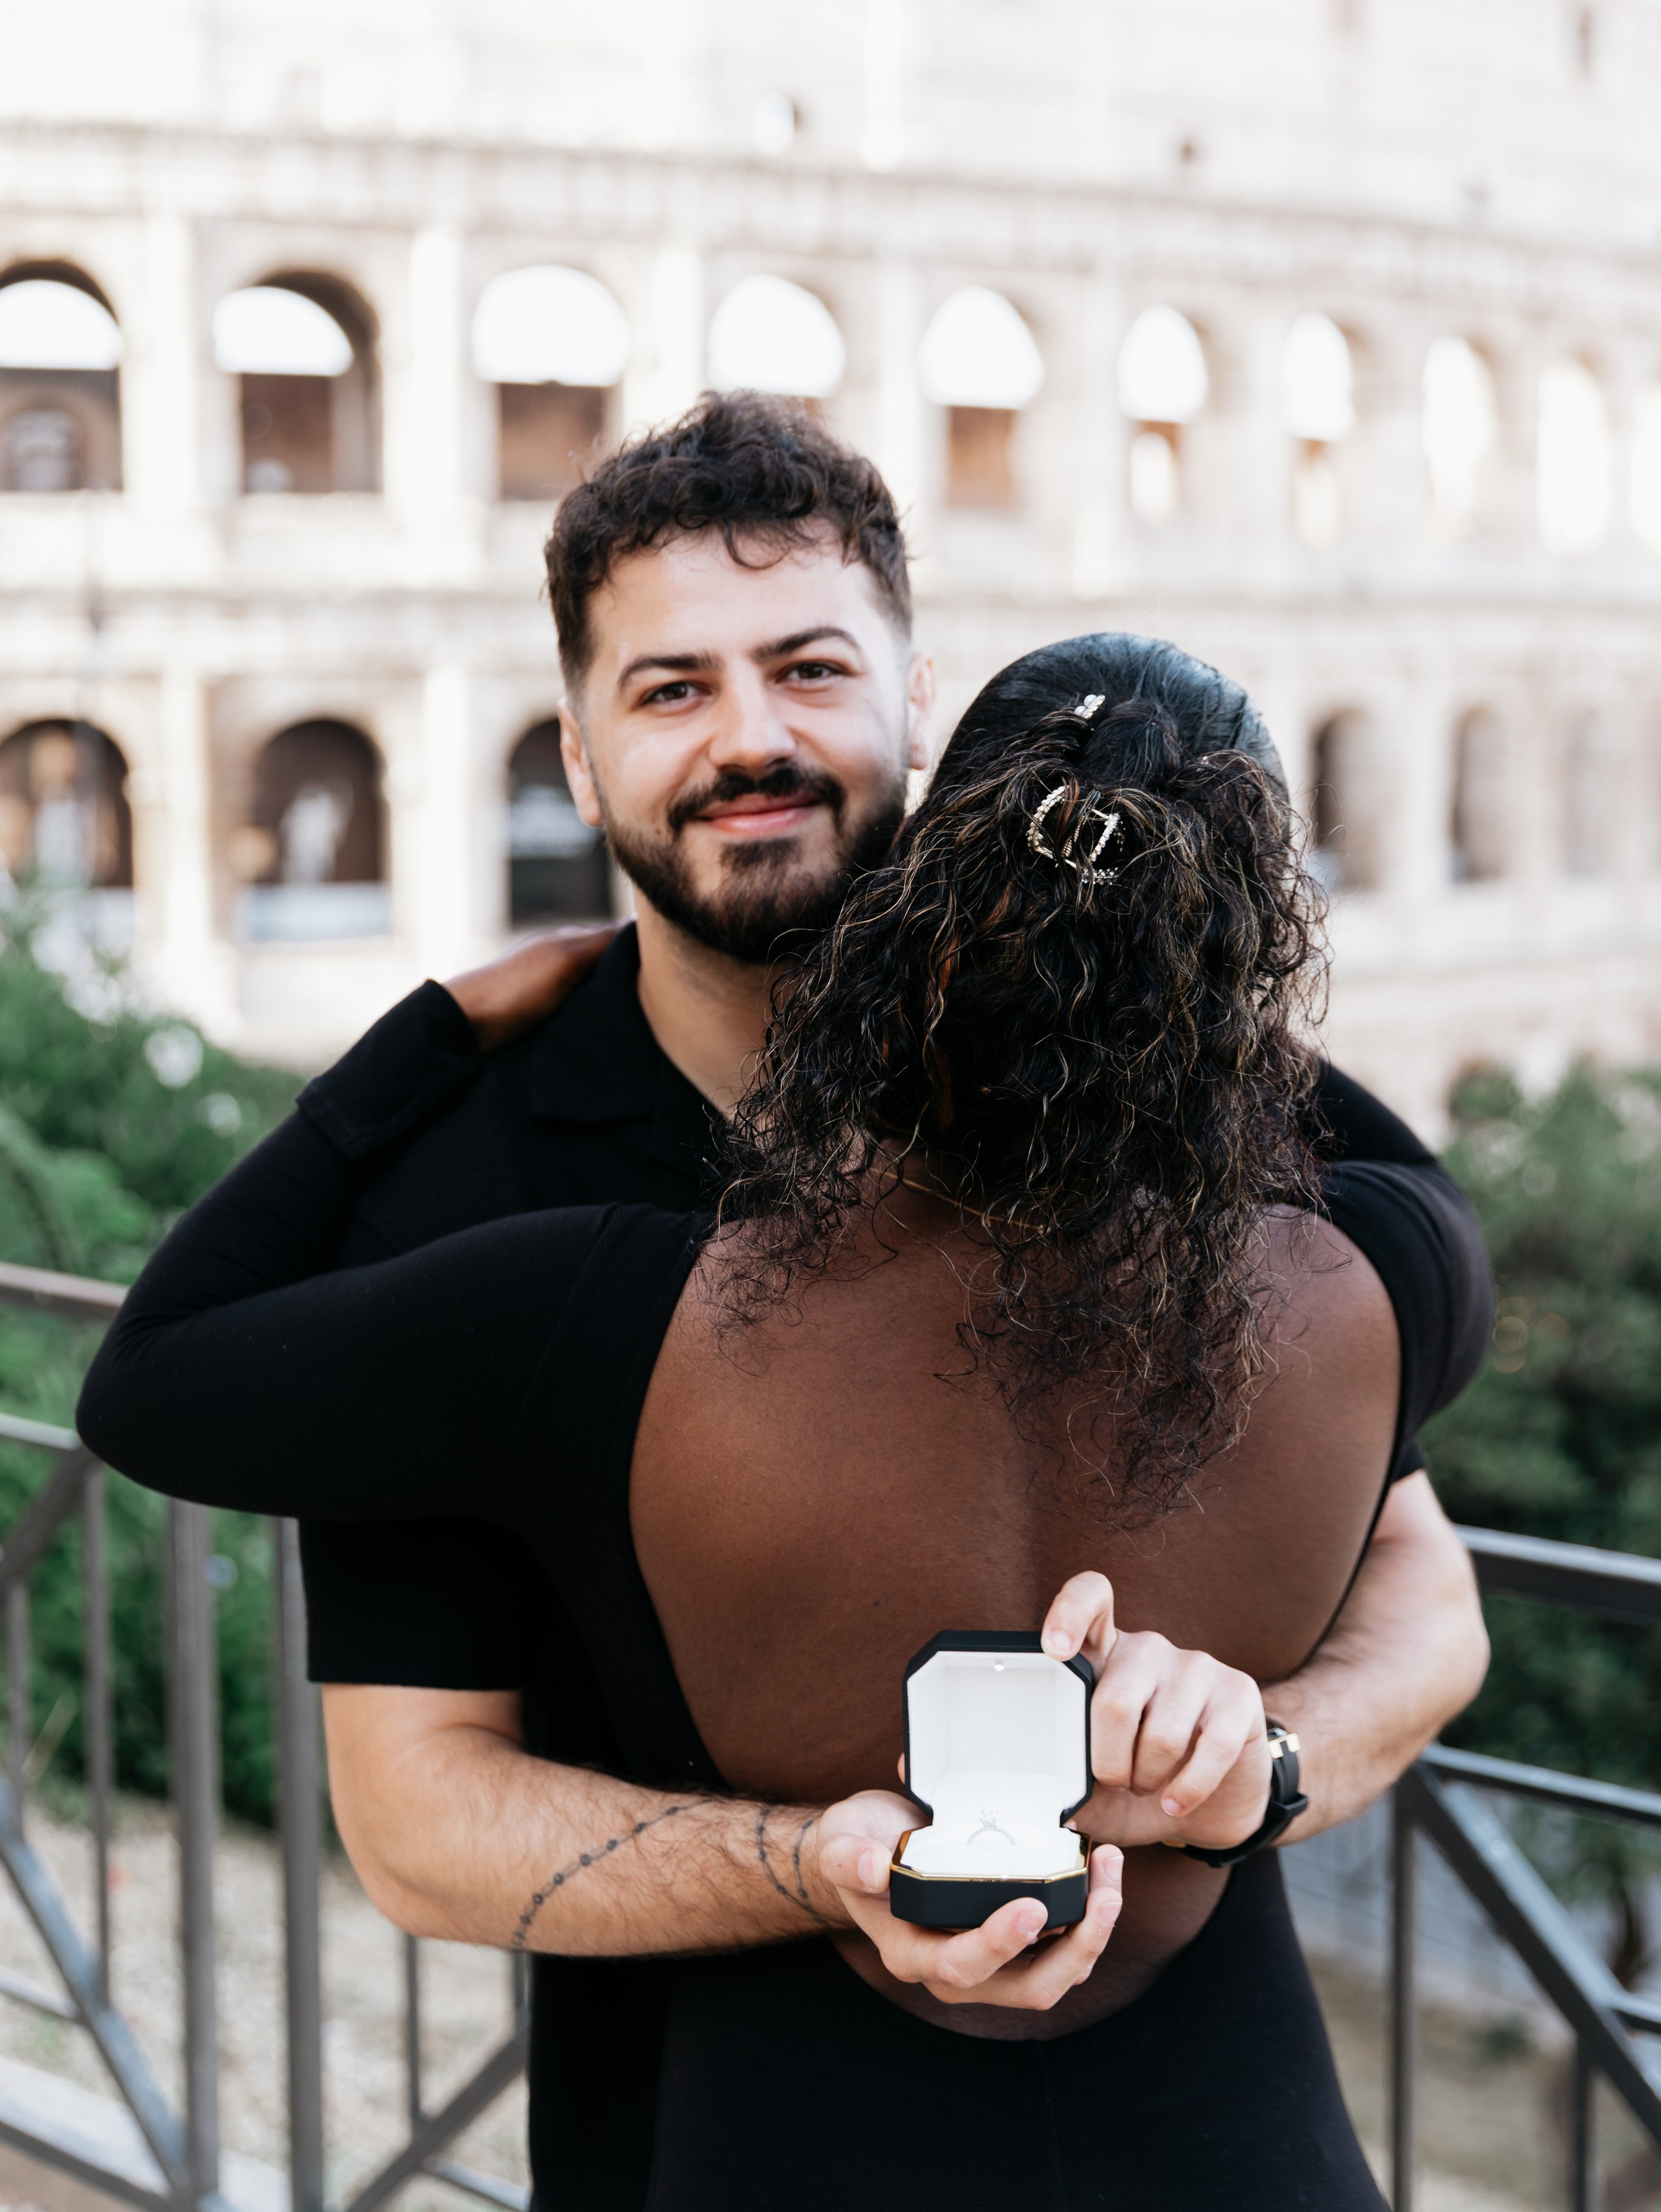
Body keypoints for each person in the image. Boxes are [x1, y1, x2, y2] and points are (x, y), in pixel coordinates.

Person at [80, 631, 1493, 2212]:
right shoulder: (1387, 1279)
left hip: (788, 2141)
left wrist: (438, 1031)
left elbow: (152, 1381)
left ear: (921, 897)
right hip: (1239, 2141)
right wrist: (1166, 943)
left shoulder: (611, 1317)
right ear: (1241, 951)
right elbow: (1360, 1149)